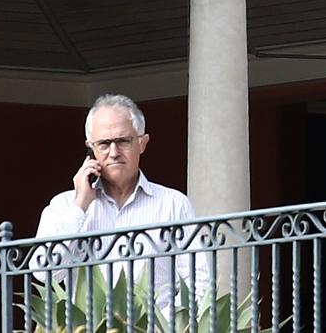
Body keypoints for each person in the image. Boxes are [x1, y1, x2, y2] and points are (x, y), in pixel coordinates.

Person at [31, 94, 208, 310]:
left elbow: (199, 280)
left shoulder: (173, 204)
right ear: (90, 148)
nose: (113, 153)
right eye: (104, 144)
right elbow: (43, 272)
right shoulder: (64, 205)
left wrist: (162, 323)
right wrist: (80, 206)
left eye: (123, 141)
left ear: (142, 143)